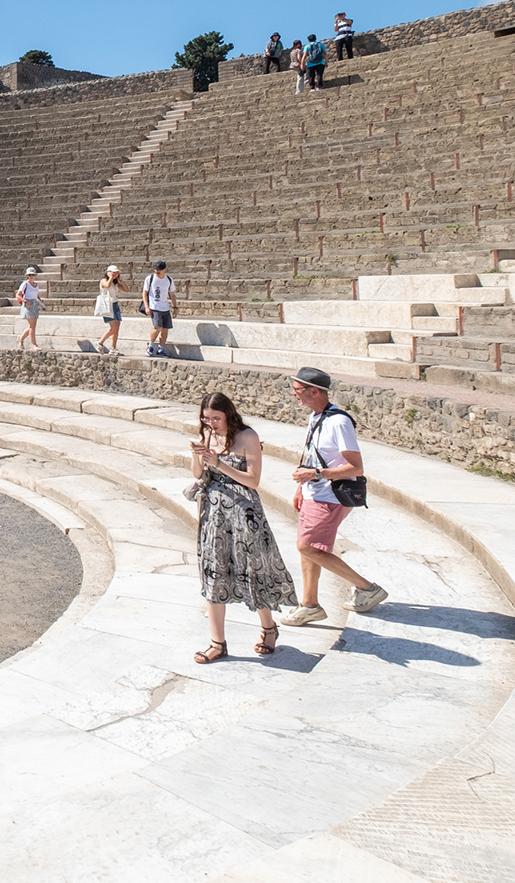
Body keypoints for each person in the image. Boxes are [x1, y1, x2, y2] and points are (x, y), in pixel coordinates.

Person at [189, 393, 297, 664]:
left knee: (254, 571)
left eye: (216, 418)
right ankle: (217, 643)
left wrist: (219, 463)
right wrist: (197, 456)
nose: (211, 423)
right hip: (214, 515)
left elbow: (253, 480)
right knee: (213, 573)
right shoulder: (208, 435)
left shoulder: (248, 436)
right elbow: (198, 475)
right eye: (206, 418)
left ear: (228, 414)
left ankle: (269, 628)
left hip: (244, 513)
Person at [281, 368, 387, 625]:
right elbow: (313, 456)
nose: (294, 394)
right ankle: (309, 604)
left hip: (330, 496)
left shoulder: (339, 422)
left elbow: (356, 468)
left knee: (307, 547)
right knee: (309, 549)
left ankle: (367, 588)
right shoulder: (316, 417)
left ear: (314, 391)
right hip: (314, 493)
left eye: (297, 390)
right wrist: (302, 488)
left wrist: (316, 474)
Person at [142, 261, 176, 357]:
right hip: (154, 307)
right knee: (158, 328)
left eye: (159, 269)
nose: (157, 271)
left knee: (165, 329)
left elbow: (172, 294)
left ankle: (161, 349)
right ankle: (150, 345)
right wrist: (147, 307)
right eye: (156, 269)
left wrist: (175, 307)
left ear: (164, 269)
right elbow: (144, 293)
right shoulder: (150, 278)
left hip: (165, 308)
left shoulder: (168, 279)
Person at [94, 265, 126, 355]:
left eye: (116, 273)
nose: (115, 274)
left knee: (117, 327)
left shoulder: (115, 283)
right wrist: (110, 277)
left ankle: (113, 348)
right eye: (113, 273)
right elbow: (106, 285)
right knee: (113, 328)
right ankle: (100, 342)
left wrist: (121, 282)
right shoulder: (104, 280)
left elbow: (126, 289)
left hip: (115, 304)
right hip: (107, 305)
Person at [14, 266, 42, 351]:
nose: (31, 276)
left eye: (32, 275)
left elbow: (37, 296)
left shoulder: (36, 285)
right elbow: (18, 295)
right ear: (27, 276)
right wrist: (25, 301)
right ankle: (33, 344)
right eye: (29, 275)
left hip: (34, 305)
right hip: (28, 305)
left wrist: (41, 304)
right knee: (32, 326)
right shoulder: (25, 284)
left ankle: (20, 339)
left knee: (32, 326)